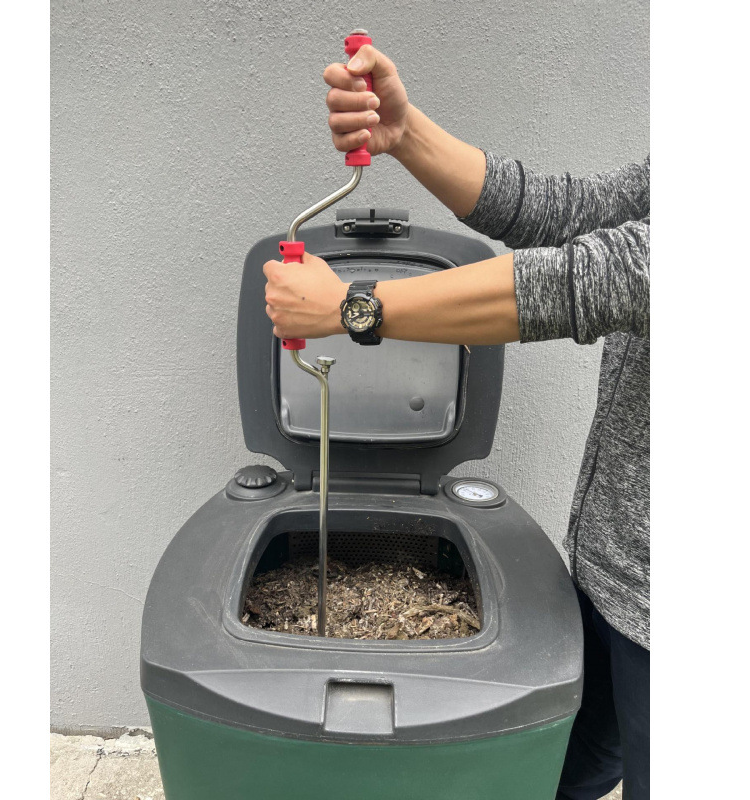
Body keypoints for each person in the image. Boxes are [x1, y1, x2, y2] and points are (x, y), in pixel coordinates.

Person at [264, 45, 649, 800]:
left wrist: (354, 307)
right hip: (611, 574)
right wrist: (405, 133)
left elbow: (593, 278)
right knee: (564, 774)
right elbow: (569, 212)